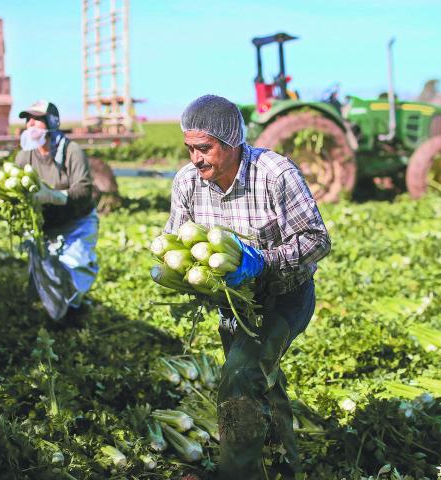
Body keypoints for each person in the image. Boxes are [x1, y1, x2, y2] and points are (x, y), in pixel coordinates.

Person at [164, 95, 331, 478]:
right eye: (189, 148)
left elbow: (317, 239)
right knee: (263, 383)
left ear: (232, 142)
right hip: (234, 305)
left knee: (239, 379)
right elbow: (176, 239)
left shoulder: (275, 174)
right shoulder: (188, 183)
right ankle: (285, 468)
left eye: (203, 148)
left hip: (285, 298)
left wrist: (263, 260)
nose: (194, 158)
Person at [15, 100, 99, 323]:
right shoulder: (25, 156)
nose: (30, 124)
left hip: (76, 223)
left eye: (37, 120)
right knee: (47, 269)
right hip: (46, 224)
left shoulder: (72, 151)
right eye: (28, 120)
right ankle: (53, 310)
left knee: (75, 267)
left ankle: (74, 312)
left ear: (52, 123)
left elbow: (84, 189)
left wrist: (54, 195)